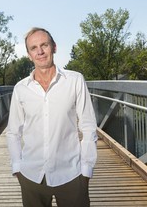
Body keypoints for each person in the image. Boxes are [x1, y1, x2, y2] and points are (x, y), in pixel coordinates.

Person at [6, 27, 98, 207]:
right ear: (29, 54)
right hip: (32, 176)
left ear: (54, 47)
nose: (40, 51)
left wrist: (86, 171)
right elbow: (13, 132)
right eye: (34, 48)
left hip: (71, 174)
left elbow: (88, 126)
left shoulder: (75, 80)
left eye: (44, 45)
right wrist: (17, 168)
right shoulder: (20, 88)